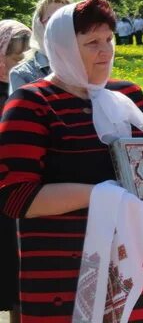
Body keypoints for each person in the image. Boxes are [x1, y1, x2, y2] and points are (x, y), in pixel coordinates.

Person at [0, 0, 143, 321]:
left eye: (109, 39)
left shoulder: (129, 96)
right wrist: (106, 195)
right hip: (66, 281)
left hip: (137, 279)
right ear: (63, 46)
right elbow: (16, 197)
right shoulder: (31, 103)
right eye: (92, 42)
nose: (106, 50)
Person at [0, 19, 30, 321]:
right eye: (14, 57)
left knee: (22, 276)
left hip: (19, 197)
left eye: (25, 56)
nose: (20, 63)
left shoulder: (26, 94)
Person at [9, 0, 71, 93]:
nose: (60, 25)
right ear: (39, 25)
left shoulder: (85, 65)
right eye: (52, 19)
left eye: (65, 18)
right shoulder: (23, 74)